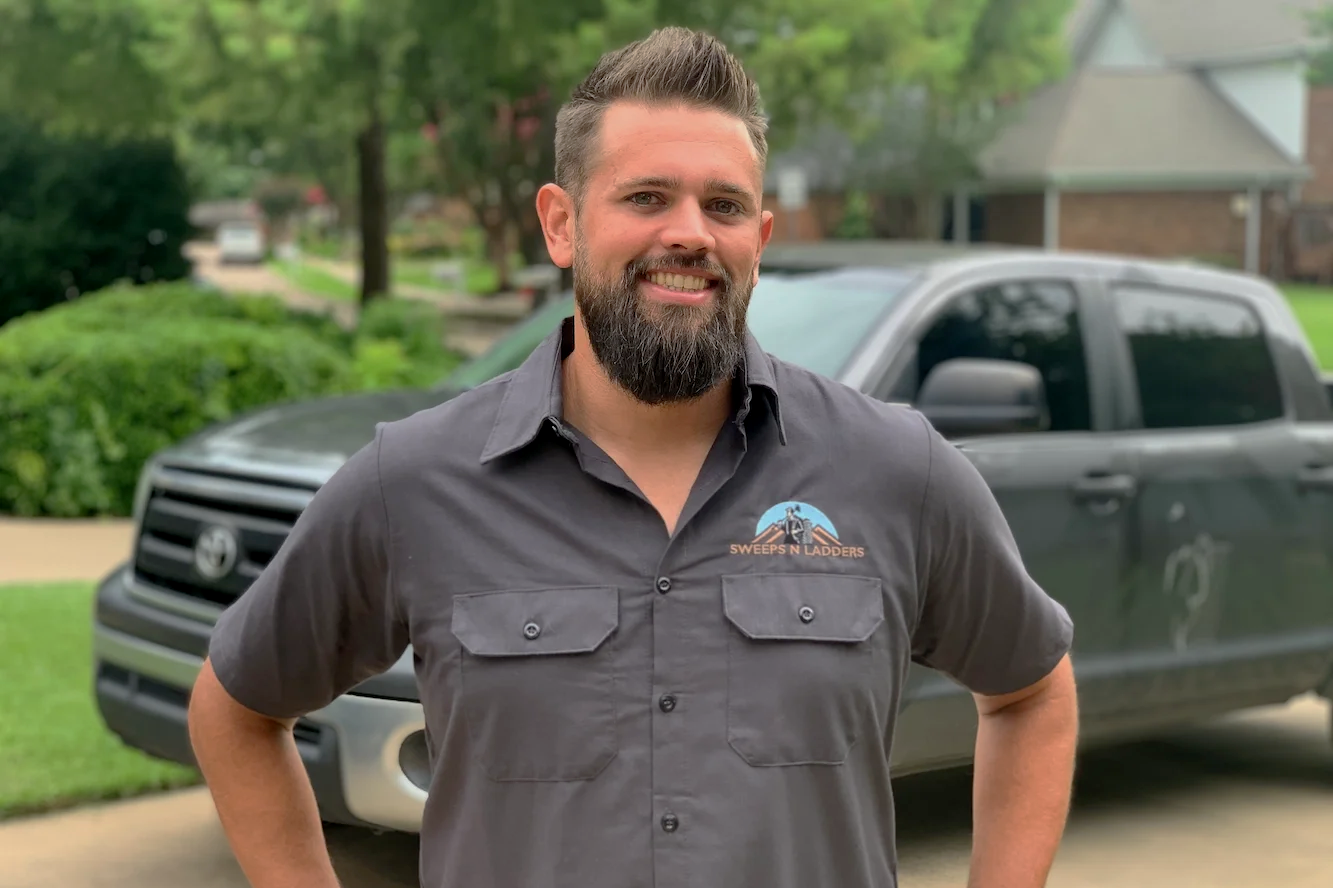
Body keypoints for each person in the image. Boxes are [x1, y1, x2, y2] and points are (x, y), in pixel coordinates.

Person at [186, 26, 1079, 888]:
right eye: (646, 197)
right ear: (561, 224)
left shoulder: (894, 472)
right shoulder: (412, 485)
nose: (690, 233)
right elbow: (237, 709)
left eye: (723, 205)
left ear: (760, 240)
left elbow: (1031, 694)